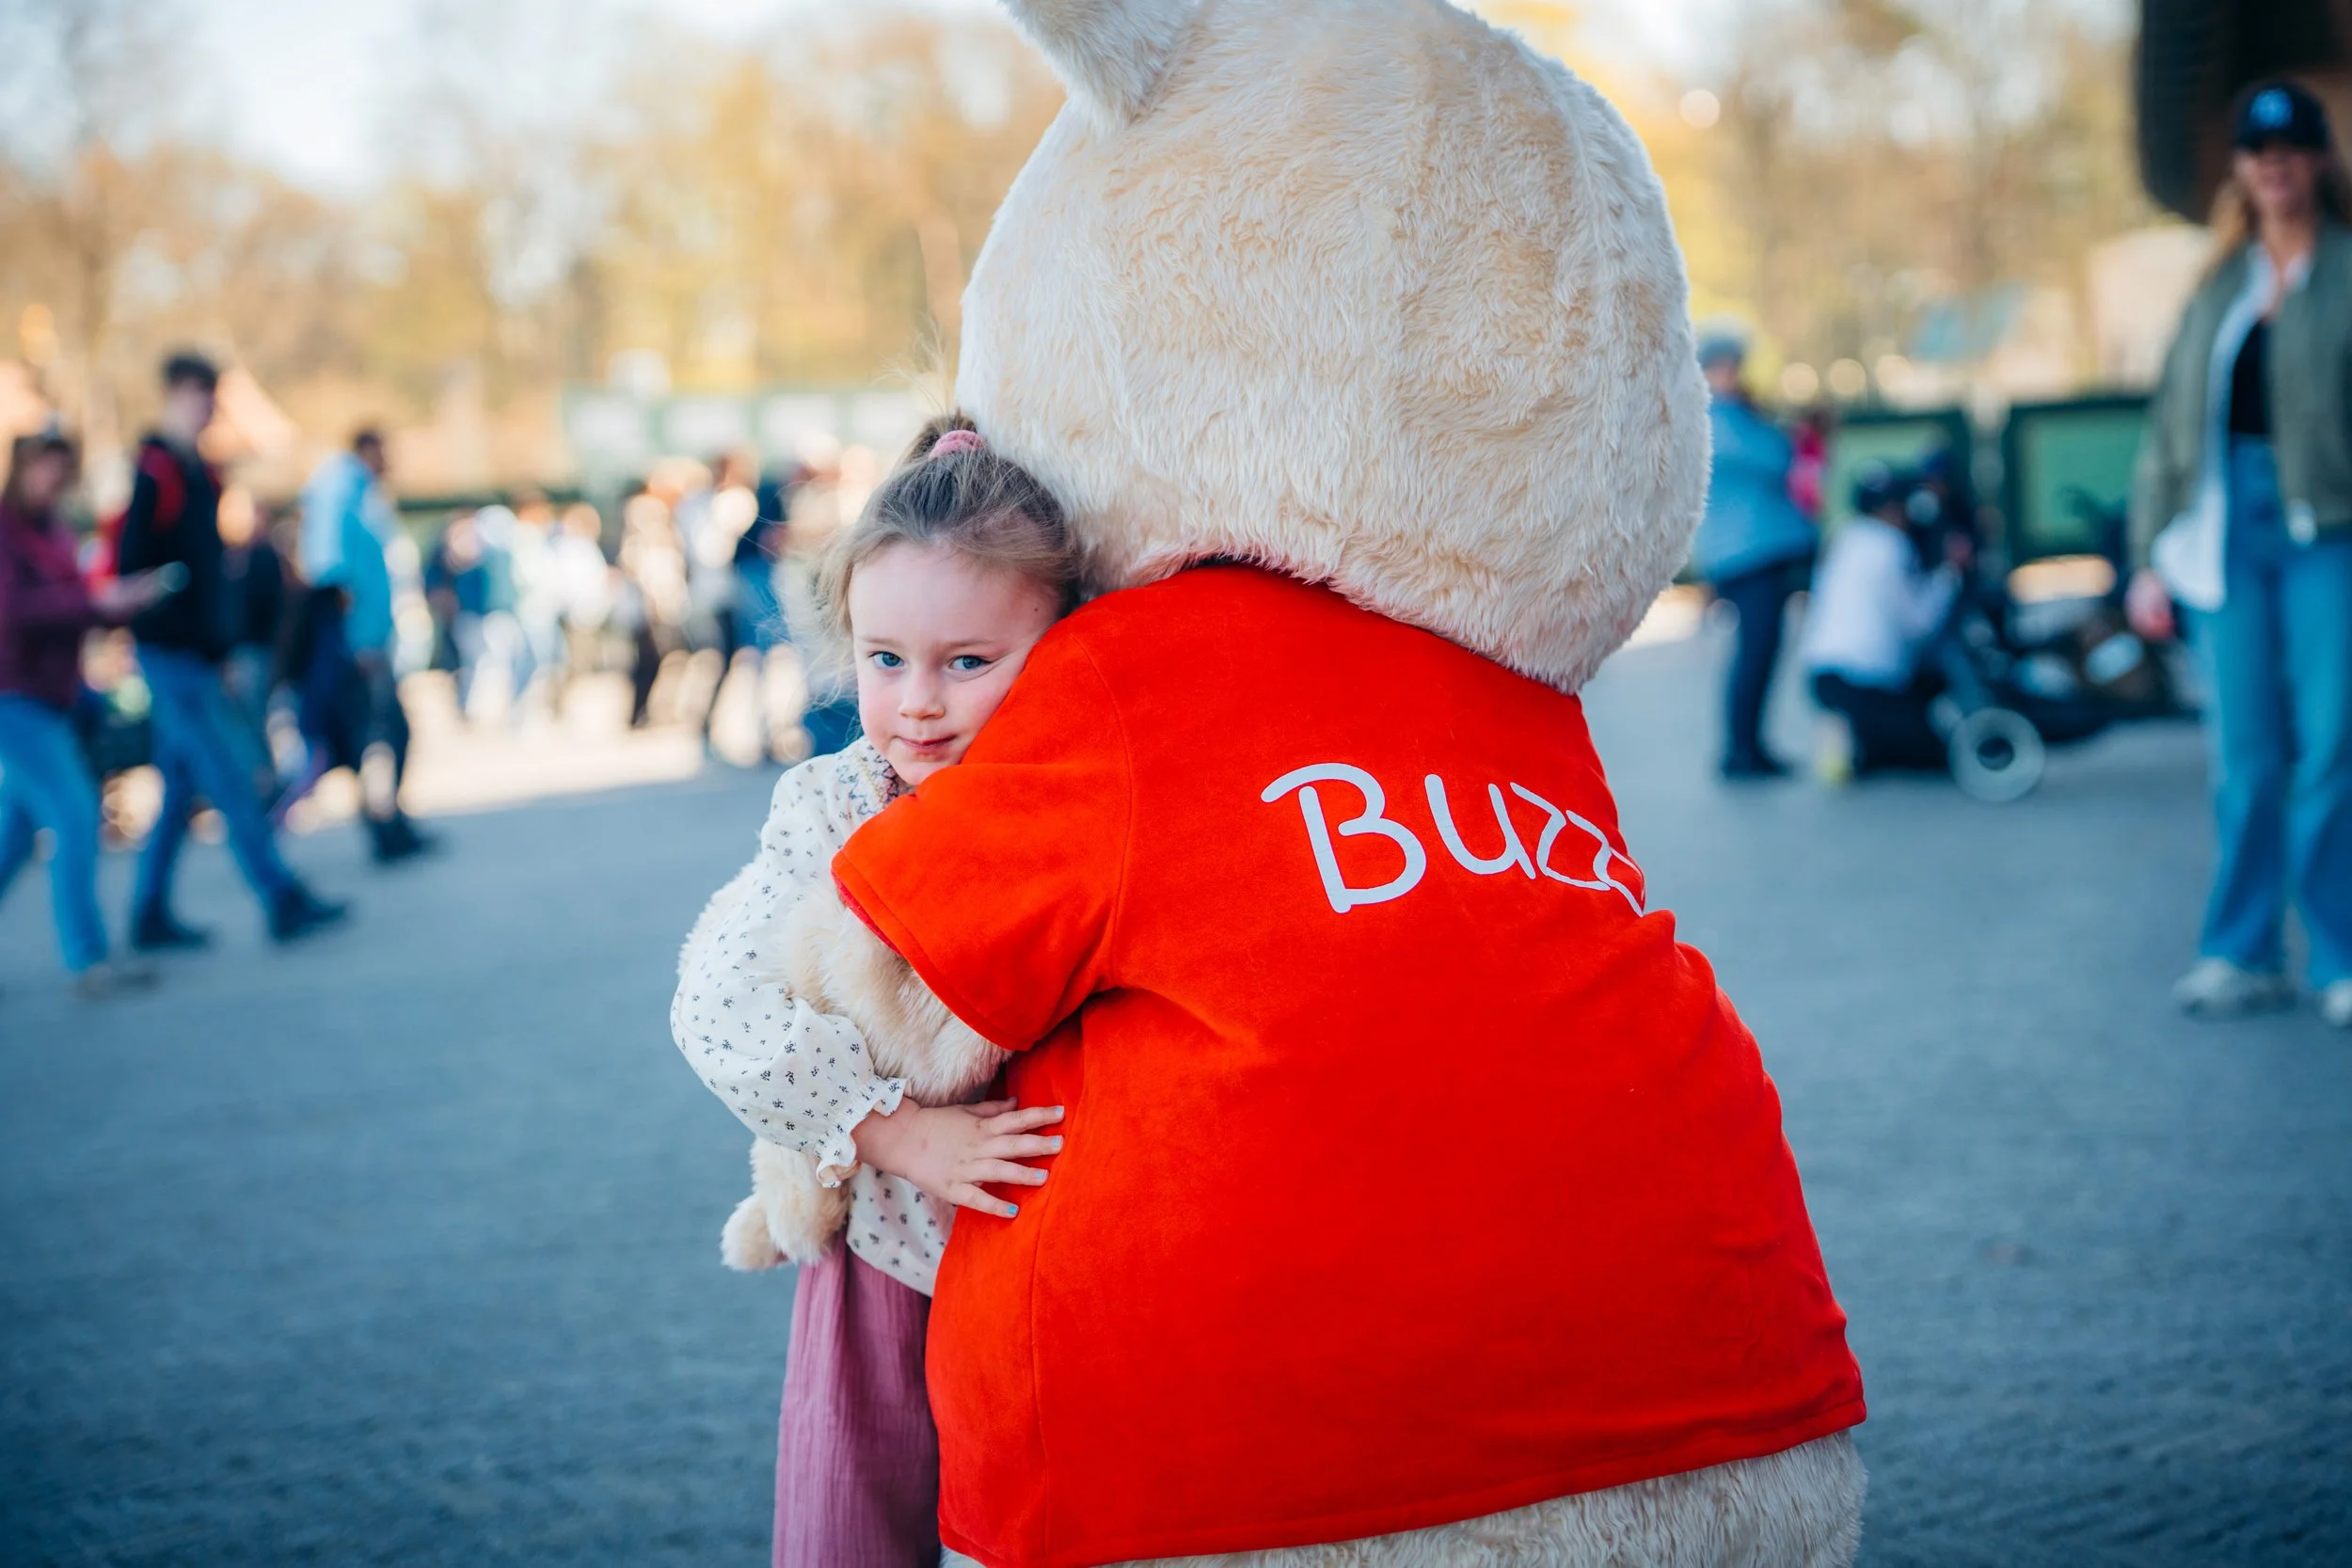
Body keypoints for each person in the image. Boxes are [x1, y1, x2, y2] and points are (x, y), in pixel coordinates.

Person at [672, 420, 1078, 1568]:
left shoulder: (1083, 803)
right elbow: (715, 1009)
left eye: (968, 661)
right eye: (884, 658)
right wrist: (895, 1133)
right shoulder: (838, 805)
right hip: (887, 1252)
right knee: (853, 1528)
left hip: (1056, 1252)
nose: (916, 704)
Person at [2128, 79, 2352, 1029]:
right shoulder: (2216, 288)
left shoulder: (2344, 271)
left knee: (2332, 746)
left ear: (2316, 161)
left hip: (2325, 531)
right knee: (2246, 754)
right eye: (2259, 153)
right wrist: (2147, 555)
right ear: (2241, 171)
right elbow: (2169, 431)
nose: (2275, 166)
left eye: (2291, 149)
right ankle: (2240, 950)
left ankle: (2339, 952)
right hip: (2223, 534)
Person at [115, 352, 346, 948]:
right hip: (170, 656)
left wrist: (219, 651)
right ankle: (279, 895)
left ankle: (148, 912)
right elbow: (133, 573)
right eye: (197, 395)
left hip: (197, 655)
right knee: (228, 777)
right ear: (172, 396)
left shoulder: (200, 473)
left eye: (211, 397)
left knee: (180, 787)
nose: (207, 408)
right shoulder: (155, 472)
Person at [0, 432, 171, 996]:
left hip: (55, 693)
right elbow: (16, 612)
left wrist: (115, 603)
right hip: (15, 694)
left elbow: (70, 602)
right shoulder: (7, 530)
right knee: (74, 817)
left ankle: (91, 953)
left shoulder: (52, 527)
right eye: (45, 469)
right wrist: (93, 605)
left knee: (16, 836)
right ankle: (89, 957)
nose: (53, 481)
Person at [297, 428, 432, 863]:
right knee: (381, 732)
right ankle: (382, 821)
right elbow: (332, 571)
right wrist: (355, 641)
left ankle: (386, 821)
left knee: (377, 735)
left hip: (367, 637)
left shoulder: (355, 491)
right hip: (360, 642)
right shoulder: (341, 488)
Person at [1691, 334, 1819, 778]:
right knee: (1755, 651)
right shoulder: (1717, 417)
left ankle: (1751, 747)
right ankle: (1740, 752)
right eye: (1726, 365)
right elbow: (1776, 456)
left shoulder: (1730, 414)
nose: (1734, 374)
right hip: (1747, 553)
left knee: (1761, 651)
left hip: (1755, 550)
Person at [1802, 465, 1968, 773]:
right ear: (1894, 508)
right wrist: (1950, 573)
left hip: (1822, 674)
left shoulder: (1844, 536)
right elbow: (1918, 625)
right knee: (1939, 755)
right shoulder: (1892, 546)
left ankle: (1858, 738)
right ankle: (1856, 742)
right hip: (1866, 682)